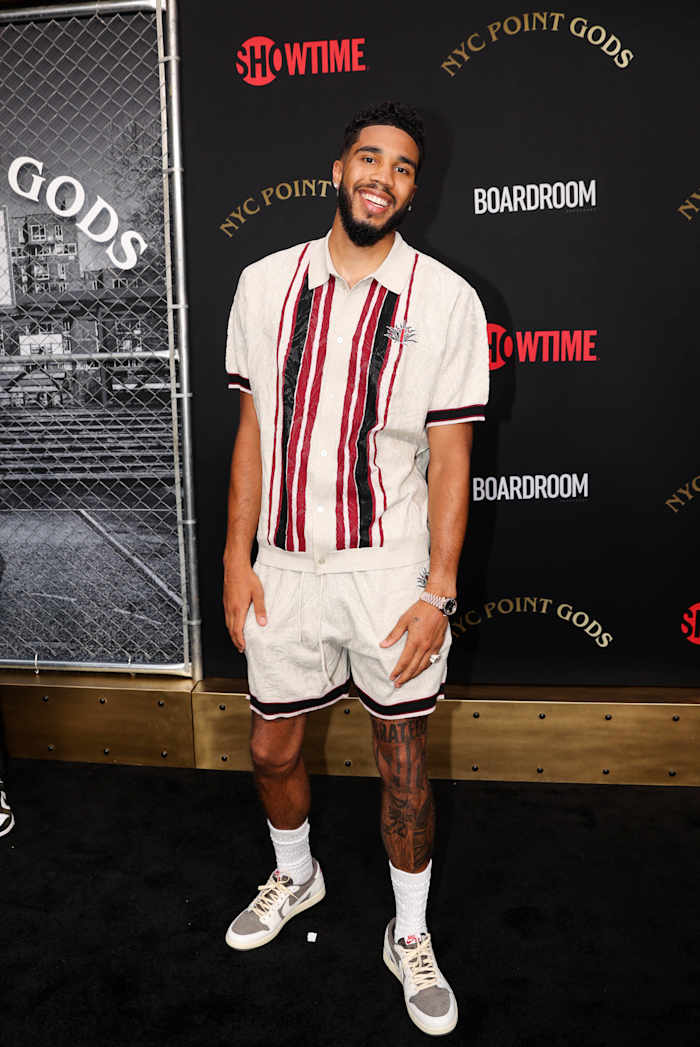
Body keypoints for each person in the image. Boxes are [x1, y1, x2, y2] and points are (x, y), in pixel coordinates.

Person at [222, 100, 488, 1037]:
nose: (383, 176)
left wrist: (438, 591)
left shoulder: (447, 299)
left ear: (413, 189)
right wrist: (234, 557)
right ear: (339, 168)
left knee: (403, 760)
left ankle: (408, 935)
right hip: (284, 567)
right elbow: (253, 429)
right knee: (270, 748)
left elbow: (452, 457)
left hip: (389, 569)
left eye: (403, 167)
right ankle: (297, 876)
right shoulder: (262, 285)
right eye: (370, 158)